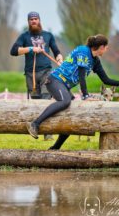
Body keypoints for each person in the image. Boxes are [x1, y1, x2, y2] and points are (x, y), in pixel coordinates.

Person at [26, 34, 119, 150]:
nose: (107, 49)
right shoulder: (83, 51)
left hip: (64, 85)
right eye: (106, 46)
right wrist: (85, 96)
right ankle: (35, 124)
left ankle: (55, 147)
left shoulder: (95, 61)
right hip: (54, 80)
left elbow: (106, 80)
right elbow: (81, 76)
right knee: (65, 101)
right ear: (101, 47)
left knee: (72, 112)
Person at [10, 11, 63, 140]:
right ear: (28, 22)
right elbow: (13, 51)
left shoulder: (48, 35)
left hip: (46, 72)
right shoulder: (24, 37)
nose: (34, 21)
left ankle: (48, 133)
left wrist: (60, 59)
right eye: (31, 19)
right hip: (31, 74)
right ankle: (35, 128)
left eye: (36, 19)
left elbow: (57, 51)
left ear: (39, 20)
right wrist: (30, 49)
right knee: (35, 103)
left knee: (46, 101)